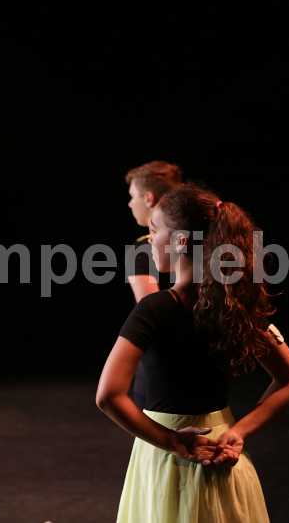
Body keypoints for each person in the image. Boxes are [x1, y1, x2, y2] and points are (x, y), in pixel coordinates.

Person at [97, 183, 289, 522]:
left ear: (181, 241)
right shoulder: (236, 304)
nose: (150, 240)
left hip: (168, 461)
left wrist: (171, 441)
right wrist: (238, 432)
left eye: (155, 230)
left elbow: (108, 395)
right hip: (222, 451)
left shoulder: (155, 309)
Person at [124, 161, 183, 408]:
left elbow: (152, 315)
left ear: (148, 198)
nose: (130, 204)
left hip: (163, 371)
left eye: (133, 196)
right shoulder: (202, 239)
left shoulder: (143, 248)